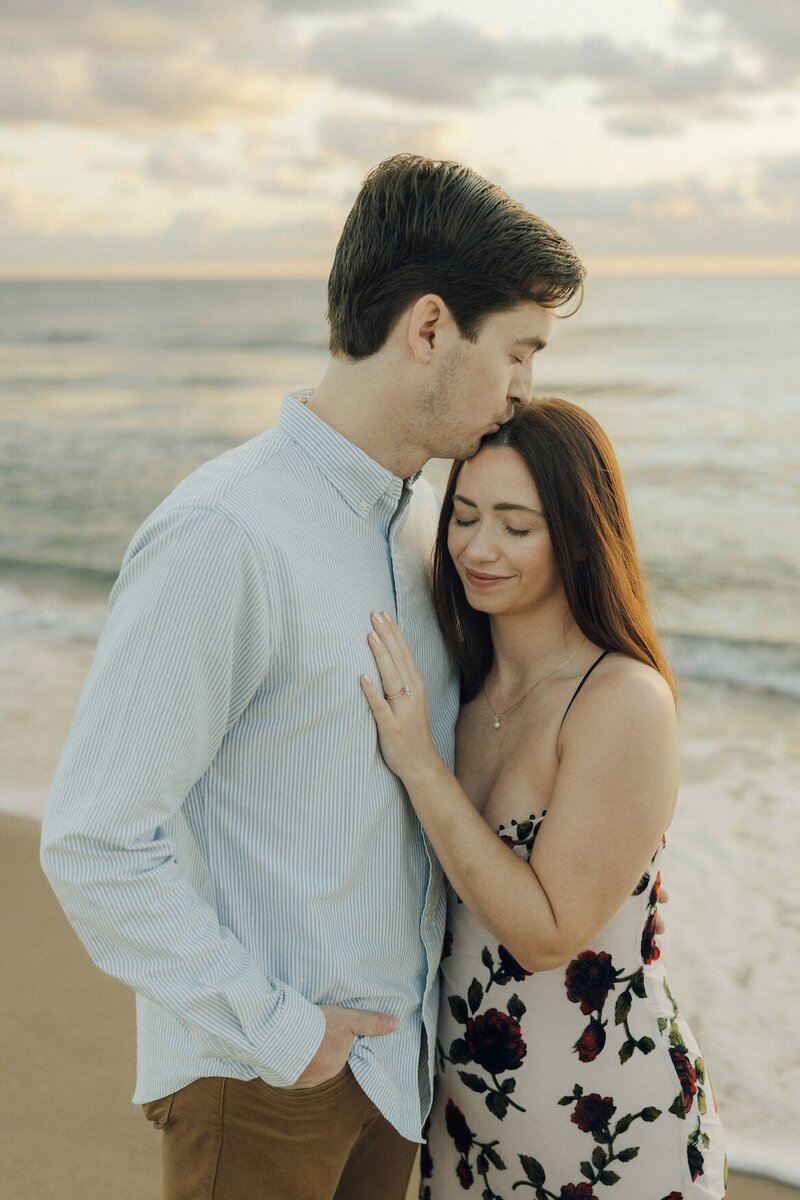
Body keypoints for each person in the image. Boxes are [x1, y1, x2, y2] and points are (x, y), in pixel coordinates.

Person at [39, 155, 585, 1200]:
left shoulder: (429, 527)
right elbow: (96, 841)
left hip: (392, 1069)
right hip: (266, 1075)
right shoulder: (223, 532)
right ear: (428, 328)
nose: (526, 387)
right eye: (518, 349)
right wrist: (287, 1032)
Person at [361, 399, 727, 1199]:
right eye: (463, 515)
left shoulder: (620, 700)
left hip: (610, 1133)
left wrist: (421, 764)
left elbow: (547, 932)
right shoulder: (462, 686)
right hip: (468, 1130)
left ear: (578, 533)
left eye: (515, 526)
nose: (477, 548)